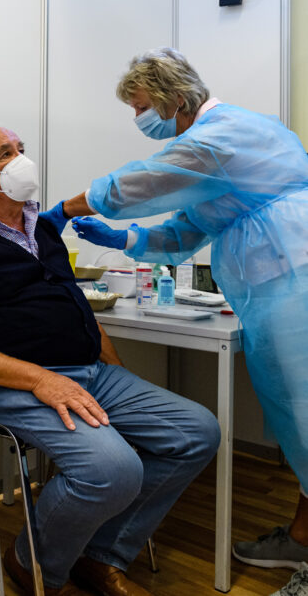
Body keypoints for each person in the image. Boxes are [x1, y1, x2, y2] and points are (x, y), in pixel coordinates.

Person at [42, 47, 308, 596]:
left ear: (174, 99)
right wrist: (127, 240)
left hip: (296, 277)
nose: (140, 120)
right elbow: (187, 230)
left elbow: (147, 179)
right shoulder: (217, 158)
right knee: (297, 424)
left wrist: (71, 207)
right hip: (277, 288)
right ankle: (302, 541)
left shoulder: (223, 136)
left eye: (140, 107)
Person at [0, 125, 220, 596]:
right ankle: (33, 564)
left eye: (22, 150)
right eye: (6, 154)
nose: (22, 159)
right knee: (113, 470)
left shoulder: (41, 230)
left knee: (196, 432)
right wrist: (40, 379)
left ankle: (101, 554)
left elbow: (76, 308)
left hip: (87, 372)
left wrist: (116, 374)